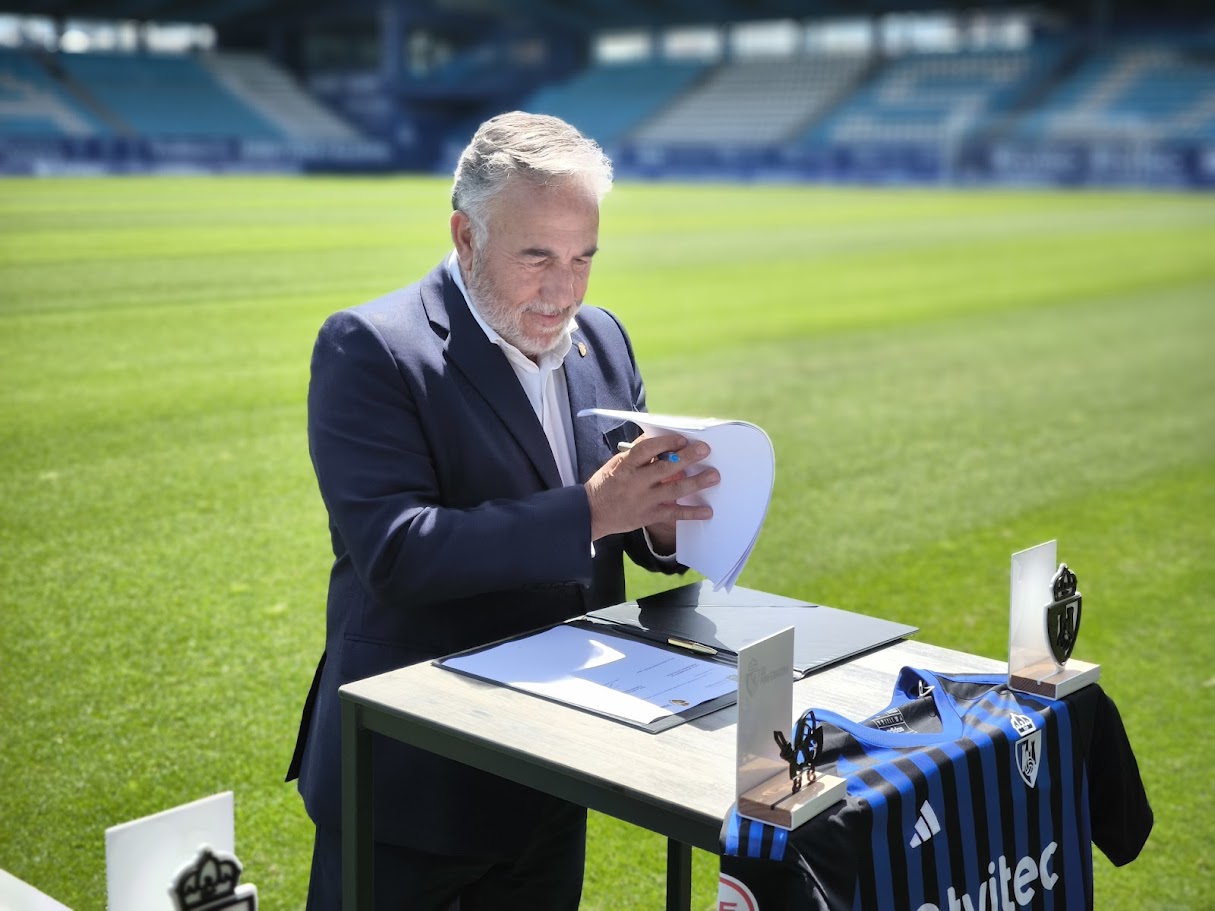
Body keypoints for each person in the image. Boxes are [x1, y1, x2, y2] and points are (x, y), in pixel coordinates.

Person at [287, 111, 721, 910]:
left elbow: (617, 519)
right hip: (413, 780)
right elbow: (396, 552)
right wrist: (592, 512)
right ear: (465, 236)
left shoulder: (604, 338)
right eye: (537, 257)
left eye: (584, 256)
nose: (564, 289)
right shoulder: (370, 346)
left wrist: (662, 522)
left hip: (552, 765)